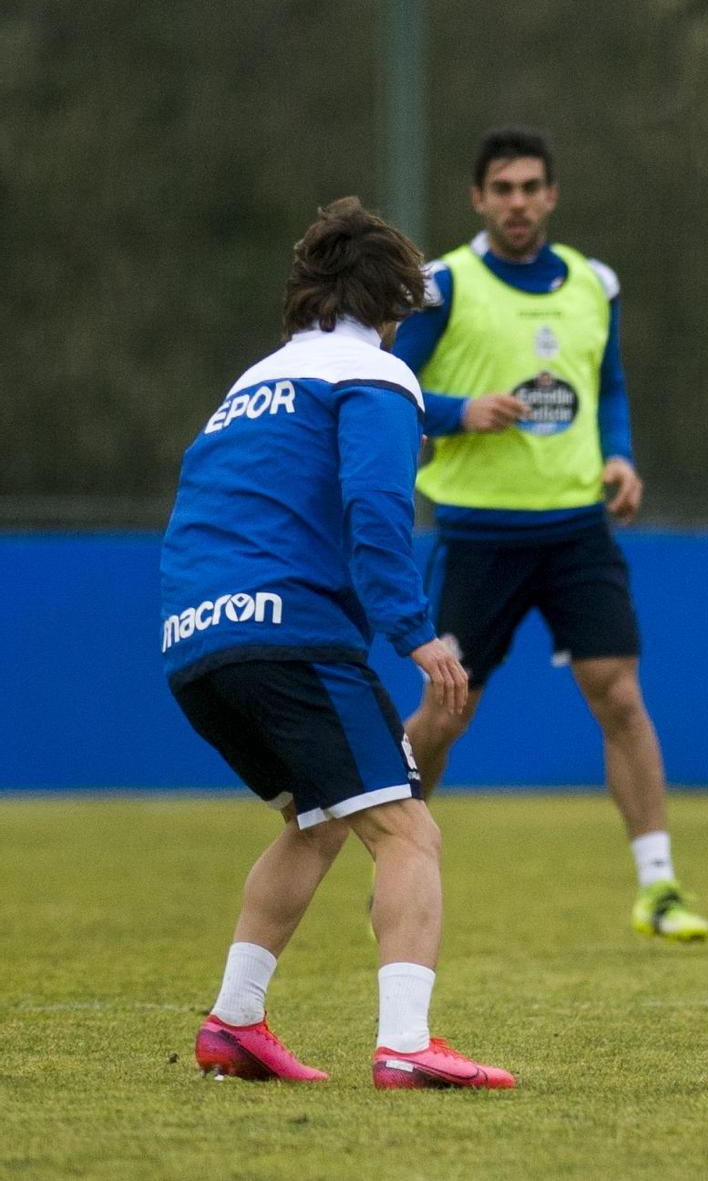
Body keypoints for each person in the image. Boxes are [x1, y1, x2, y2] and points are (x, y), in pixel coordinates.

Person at [162, 197, 513, 1089]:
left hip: (194, 642)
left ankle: (235, 1023)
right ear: (388, 302)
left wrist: (447, 415)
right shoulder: (374, 377)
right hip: (295, 638)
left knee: (315, 822)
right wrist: (416, 632)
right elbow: (376, 508)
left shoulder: (255, 381)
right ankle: (405, 1043)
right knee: (407, 831)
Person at [390, 127, 708, 943]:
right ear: (478, 198)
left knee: (622, 694)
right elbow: (389, 389)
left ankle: (659, 885)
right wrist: (463, 412)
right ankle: (393, 863)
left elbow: (609, 386)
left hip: (576, 530)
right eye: (503, 188)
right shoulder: (444, 287)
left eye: (532, 186)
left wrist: (620, 458)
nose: (519, 201)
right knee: (446, 706)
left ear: (552, 194)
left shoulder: (594, 284)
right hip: (478, 536)